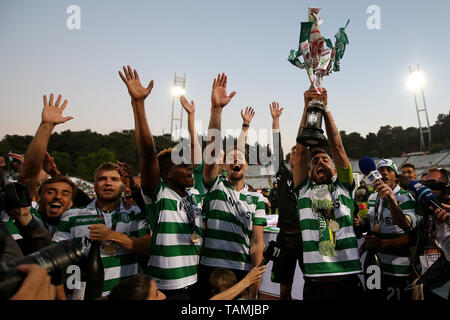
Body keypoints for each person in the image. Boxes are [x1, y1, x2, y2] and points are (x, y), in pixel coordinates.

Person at [119, 65, 202, 300]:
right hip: (164, 288)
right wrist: (138, 104)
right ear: (165, 174)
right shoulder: (159, 195)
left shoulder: (193, 194)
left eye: (190, 164)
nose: (190, 167)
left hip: (195, 280)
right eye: (182, 165)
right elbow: (147, 153)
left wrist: (192, 117)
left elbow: (197, 155)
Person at [292, 86, 363, 300]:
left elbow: (338, 146)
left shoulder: (343, 186)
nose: (320, 161)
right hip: (316, 284)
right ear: (310, 171)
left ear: (334, 169)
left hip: (348, 281)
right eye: (315, 161)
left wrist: (324, 108)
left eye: (325, 159)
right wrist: (308, 107)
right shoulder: (303, 190)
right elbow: (301, 149)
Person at [200, 73, 267, 300]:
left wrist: (256, 278)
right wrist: (216, 110)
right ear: (224, 166)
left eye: (240, 159)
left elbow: (257, 243)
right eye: (231, 159)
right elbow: (212, 150)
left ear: (247, 166)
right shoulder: (214, 186)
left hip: (242, 269)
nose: (236, 160)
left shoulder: (257, 199)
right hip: (211, 266)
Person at [52, 161, 151, 297]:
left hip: (126, 296)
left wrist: (111, 235)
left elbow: (147, 247)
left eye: (114, 179)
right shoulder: (71, 215)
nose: (108, 183)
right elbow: (56, 262)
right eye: (102, 179)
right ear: (94, 184)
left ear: (123, 186)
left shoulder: (135, 213)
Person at [355, 159, 417, 300]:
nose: (384, 172)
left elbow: (411, 238)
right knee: (373, 297)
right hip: (374, 265)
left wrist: (382, 244)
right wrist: (361, 225)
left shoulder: (405, 197)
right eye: (381, 169)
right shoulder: (372, 197)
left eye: (388, 170)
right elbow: (373, 226)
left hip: (397, 269)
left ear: (396, 175)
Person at [268, 102, 303, 300]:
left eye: (301, 153)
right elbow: (276, 149)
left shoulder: (310, 181)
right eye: (294, 154)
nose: (297, 156)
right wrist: (275, 120)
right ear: (290, 161)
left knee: (313, 282)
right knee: (284, 288)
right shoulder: (283, 176)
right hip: (284, 237)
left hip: (306, 238)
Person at [409, 166, 450, 300]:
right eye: (424, 185)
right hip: (427, 283)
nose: (426, 189)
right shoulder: (422, 211)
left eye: (431, 185)